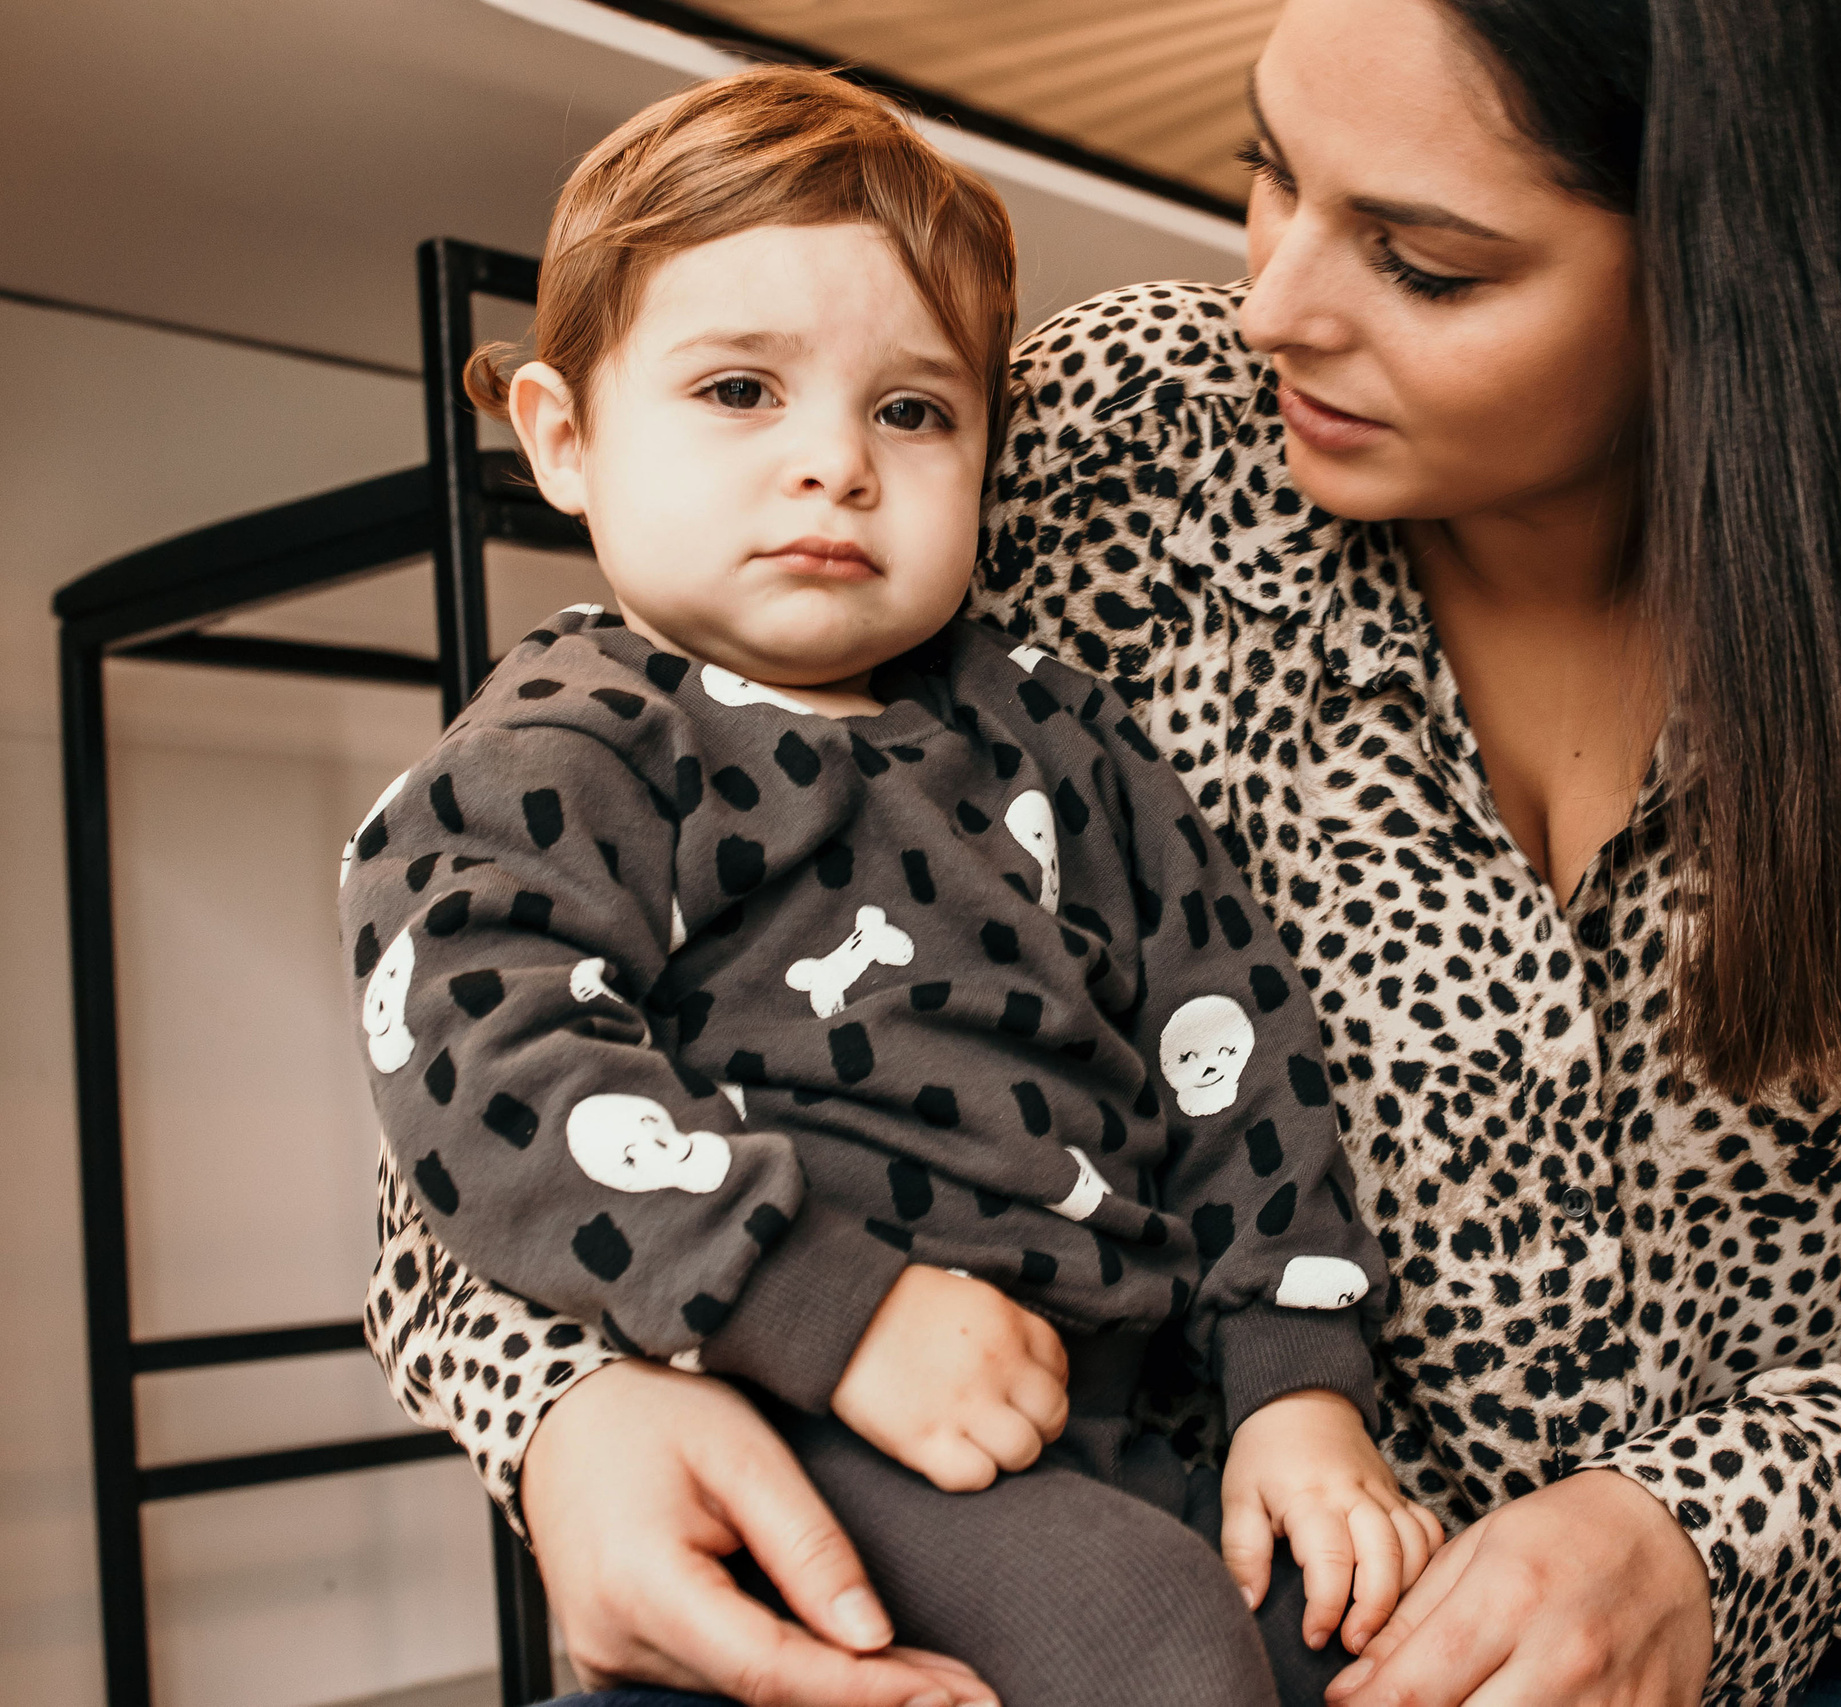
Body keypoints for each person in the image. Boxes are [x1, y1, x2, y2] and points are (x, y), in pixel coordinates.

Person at [365, 2, 1841, 1704]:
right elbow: (501, 1056)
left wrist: (1703, 1540)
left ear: (1728, 280)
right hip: (1186, 1615)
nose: (1273, 304)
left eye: (1419, 259)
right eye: (1265, 173)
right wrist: (564, 1410)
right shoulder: (1099, 455)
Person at [345, 67, 1441, 1707]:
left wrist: (1298, 1386)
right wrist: (825, 1310)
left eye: (911, 411)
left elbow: (1235, 1046)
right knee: (1146, 1637)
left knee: (1363, 1642)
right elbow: (491, 1074)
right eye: (738, 392)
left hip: (1137, 1414)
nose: (835, 465)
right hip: (812, 1402)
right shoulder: (566, 750)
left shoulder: (1060, 727)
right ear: (564, 440)